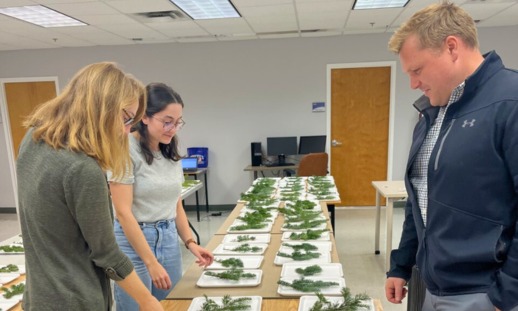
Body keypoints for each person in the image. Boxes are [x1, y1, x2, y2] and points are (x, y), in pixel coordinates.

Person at [385, 2, 518, 311]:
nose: (413, 83)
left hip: (485, 293)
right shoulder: (432, 112)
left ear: (452, 47)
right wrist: (401, 265)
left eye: (417, 70)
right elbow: (421, 198)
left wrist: (507, 295)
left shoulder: (510, 102)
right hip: (430, 284)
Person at [16, 62, 163, 310]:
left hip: (38, 297)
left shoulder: (33, 137)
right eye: (126, 119)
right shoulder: (82, 169)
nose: (127, 132)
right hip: (76, 300)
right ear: (101, 109)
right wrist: (147, 300)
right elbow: (107, 254)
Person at [108, 82, 214, 310]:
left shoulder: (168, 149)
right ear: (145, 117)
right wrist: (151, 262)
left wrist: (190, 243)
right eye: (167, 122)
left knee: (169, 304)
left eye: (177, 123)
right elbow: (123, 213)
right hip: (133, 242)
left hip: (167, 239)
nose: (172, 128)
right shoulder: (125, 150)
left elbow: (175, 203)